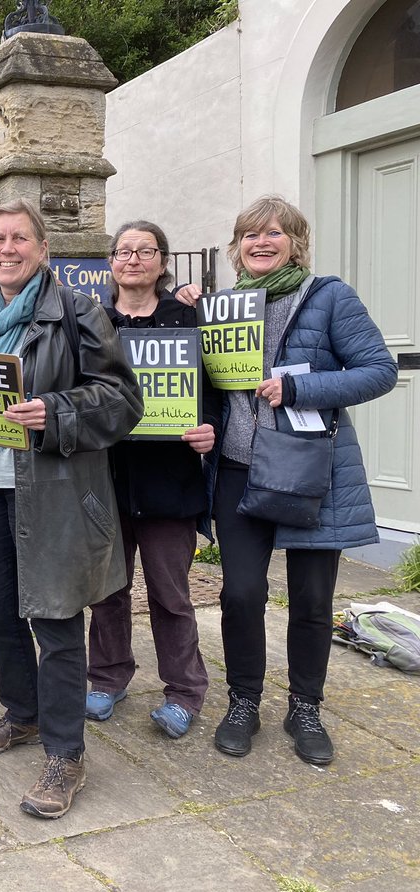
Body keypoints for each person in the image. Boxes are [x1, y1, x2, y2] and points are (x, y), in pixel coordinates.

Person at [0, 198, 142, 819]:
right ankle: (22, 713)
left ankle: (65, 756)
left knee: (56, 622)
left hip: (52, 496)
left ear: (43, 250)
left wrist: (56, 413)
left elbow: (123, 399)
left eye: (20, 238)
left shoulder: (77, 310)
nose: (8, 248)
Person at [177, 196, 396, 766]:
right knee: (241, 594)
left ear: (295, 241)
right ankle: (244, 701)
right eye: (250, 235)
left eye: (274, 233)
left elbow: (380, 371)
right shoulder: (224, 307)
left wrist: (301, 388)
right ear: (236, 246)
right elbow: (196, 379)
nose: (261, 242)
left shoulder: (328, 298)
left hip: (307, 469)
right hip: (237, 472)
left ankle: (305, 707)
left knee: (312, 599)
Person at [85, 220, 218, 739]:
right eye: (123, 250)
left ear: (163, 262)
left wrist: (211, 429)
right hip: (107, 480)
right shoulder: (93, 324)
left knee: (171, 594)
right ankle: (107, 678)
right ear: (111, 263)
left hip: (171, 485)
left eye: (146, 250)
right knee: (108, 592)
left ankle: (184, 692)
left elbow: (219, 393)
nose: (133, 258)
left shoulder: (190, 319)